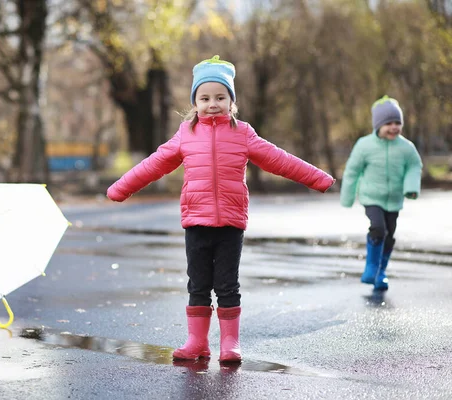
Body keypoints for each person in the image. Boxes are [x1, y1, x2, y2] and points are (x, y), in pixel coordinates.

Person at [106, 55, 335, 363]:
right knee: (197, 284)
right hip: (196, 221)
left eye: (219, 97)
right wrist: (121, 187)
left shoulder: (243, 134)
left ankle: (230, 343)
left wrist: (318, 178)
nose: (212, 103)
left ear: (231, 101)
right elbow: (155, 164)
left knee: (227, 285)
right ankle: (196, 342)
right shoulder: (186, 134)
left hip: (230, 222)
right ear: (195, 102)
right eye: (204, 98)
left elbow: (279, 159)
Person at [340, 95, 423, 291]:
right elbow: (352, 170)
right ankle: (371, 267)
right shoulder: (364, 145)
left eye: (397, 123)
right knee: (378, 228)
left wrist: (410, 188)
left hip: (394, 199)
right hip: (372, 198)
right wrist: (348, 196)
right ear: (378, 125)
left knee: (390, 234)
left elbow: (414, 166)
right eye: (389, 123)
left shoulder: (406, 147)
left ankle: (380, 272)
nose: (394, 127)